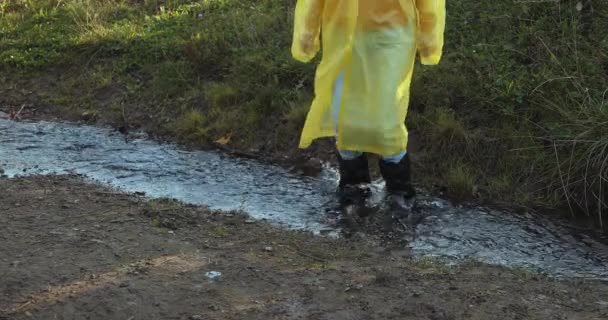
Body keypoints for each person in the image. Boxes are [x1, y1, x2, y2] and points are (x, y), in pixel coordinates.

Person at [292, 0, 445, 211]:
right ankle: (354, 187)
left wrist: (429, 38)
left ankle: (399, 191)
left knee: (385, 120)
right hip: (342, 36)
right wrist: (307, 31)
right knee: (343, 115)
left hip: (391, 35)